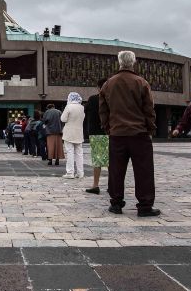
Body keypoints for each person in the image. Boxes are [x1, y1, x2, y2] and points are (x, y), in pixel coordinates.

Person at [99, 50, 160, 217]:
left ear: (119, 62)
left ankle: (116, 203)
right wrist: (150, 128)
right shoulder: (141, 82)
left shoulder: (108, 84)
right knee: (144, 170)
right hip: (139, 133)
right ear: (133, 62)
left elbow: (103, 110)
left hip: (117, 133)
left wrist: (108, 128)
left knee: (116, 170)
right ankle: (145, 205)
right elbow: (149, 109)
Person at [85, 78, 108, 194]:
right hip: (111, 133)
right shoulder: (112, 99)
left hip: (96, 133)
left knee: (97, 160)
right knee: (112, 160)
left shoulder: (93, 99)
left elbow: (86, 111)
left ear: (98, 88)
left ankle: (95, 185)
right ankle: (113, 184)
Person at [61, 93, 86, 179]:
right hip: (79, 132)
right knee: (79, 153)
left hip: (69, 132)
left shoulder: (69, 106)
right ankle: (80, 172)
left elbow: (63, 119)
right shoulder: (82, 107)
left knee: (70, 152)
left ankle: (70, 172)